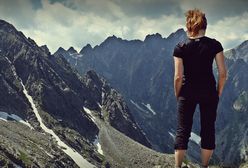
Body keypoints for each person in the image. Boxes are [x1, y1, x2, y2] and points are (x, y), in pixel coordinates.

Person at [173, 9, 227, 168]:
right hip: (209, 92)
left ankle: (177, 167)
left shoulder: (180, 47)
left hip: (187, 93)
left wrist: (178, 94)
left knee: (183, 131)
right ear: (205, 26)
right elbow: (223, 73)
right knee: (208, 130)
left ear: (188, 26)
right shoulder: (215, 45)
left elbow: (177, 76)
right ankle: (204, 166)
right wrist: (218, 91)